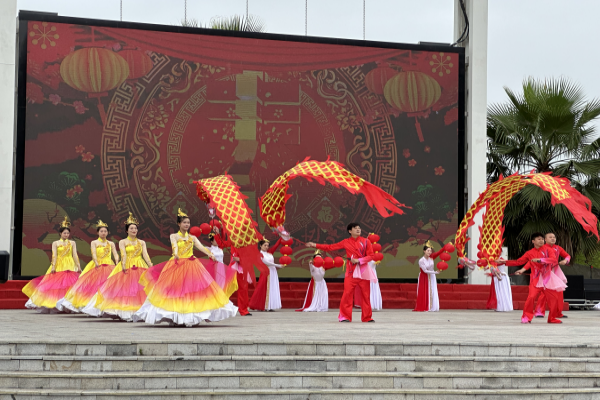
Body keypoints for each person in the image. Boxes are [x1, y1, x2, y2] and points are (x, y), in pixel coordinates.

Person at [134, 209, 237, 326]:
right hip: (177, 264)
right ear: (179, 224)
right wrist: (175, 254)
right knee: (175, 291)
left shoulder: (192, 237)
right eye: (184, 222)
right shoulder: (174, 236)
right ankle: (176, 317)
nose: (187, 224)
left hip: (192, 265)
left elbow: (201, 247)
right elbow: (174, 246)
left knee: (192, 292)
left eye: (188, 222)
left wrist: (210, 254)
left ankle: (191, 317)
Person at [82, 212, 153, 321]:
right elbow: (123, 254)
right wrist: (123, 264)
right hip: (127, 265)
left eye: (135, 228)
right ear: (127, 230)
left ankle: (139, 311)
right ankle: (124, 311)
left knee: (139, 288)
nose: (134, 230)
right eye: (131, 228)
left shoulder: (142, 242)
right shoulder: (122, 241)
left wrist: (150, 265)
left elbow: (145, 255)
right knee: (125, 289)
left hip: (139, 264)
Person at [306, 223, 376, 323]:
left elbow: (371, 256)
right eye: (355, 228)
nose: (358, 230)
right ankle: (345, 317)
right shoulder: (345, 242)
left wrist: (359, 260)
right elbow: (330, 247)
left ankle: (367, 317)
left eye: (359, 228)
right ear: (350, 231)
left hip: (363, 272)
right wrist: (314, 245)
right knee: (347, 294)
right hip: (351, 273)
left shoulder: (366, 241)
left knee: (366, 295)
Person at [496, 232, 565, 324]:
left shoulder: (548, 250)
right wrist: (505, 262)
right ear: (533, 241)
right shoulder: (530, 253)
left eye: (542, 239)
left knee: (553, 299)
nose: (541, 241)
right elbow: (519, 262)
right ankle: (526, 317)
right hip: (535, 280)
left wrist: (540, 260)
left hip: (547, 279)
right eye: (538, 239)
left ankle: (552, 318)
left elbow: (553, 260)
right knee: (531, 297)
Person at [56, 220, 119, 313]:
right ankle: (91, 306)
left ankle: (106, 306)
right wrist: (96, 262)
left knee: (108, 286)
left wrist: (117, 261)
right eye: (101, 231)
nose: (103, 233)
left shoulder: (111, 243)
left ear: (108, 232)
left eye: (105, 231)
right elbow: (93, 253)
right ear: (98, 232)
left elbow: (115, 254)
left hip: (109, 265)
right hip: (97, 265)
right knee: (93, 285)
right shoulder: (94, 242)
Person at [22, 216, 81, 312]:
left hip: (69, 263)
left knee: (69, 284)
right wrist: (53, 266)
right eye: (64, 233)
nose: (66, 235)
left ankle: (67, 305)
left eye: (67, 233)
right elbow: (54, 255)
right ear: (60, 233)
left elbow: (75, 255)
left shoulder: (72, 243)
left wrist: (78, 266)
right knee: (57, 285)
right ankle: (55, 304)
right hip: (59, 264)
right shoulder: (55, 243)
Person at [213, 230, 252, 316]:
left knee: (243, 289)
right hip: (233, 268)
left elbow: (251, 256)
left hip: (242, 268)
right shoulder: (232, 240)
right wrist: (217, 233)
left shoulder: (247, 243)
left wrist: (240, 259)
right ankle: (220, 307)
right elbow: (222, 244)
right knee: (226, 288)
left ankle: (243, 310)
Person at [534, 232, 570, 318]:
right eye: (550, 237)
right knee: (544, 292)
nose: (553, 238)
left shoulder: (557, 248)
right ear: (545, 239)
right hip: (545, 271)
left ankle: (558, 312)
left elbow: (567, 256)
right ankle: (539, 312)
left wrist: (565, 261)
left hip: (556, 271)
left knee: (559, 292)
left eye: (554, 237)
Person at [413, 241, 443, 312]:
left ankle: (432, 306)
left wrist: (444, 248)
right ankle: (425, 306)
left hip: (432, 276)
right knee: (425, 291)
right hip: (424, 277)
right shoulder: (421, 260)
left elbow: (438, 253)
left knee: (432, 290)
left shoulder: (431, 257)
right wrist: (435, 272)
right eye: (428, 251)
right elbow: (425, 271)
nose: (429, 252)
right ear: (424, 251)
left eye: (430, 251)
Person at [255, 239, 284, 311]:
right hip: (266, 272)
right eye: (265, 245)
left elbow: (276, 245)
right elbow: (266, 262)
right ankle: (264, 306)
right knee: (265, 288)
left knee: (272, 288)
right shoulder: (259, 254)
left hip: (273, 272)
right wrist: (278, 265)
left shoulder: (269, 253)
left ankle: (271, 306)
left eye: (267, 246)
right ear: (260, 245)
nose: (266, 247)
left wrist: (281, 238)